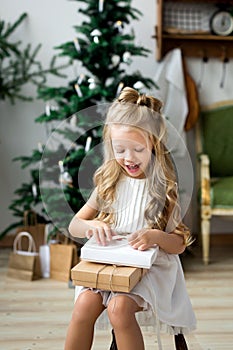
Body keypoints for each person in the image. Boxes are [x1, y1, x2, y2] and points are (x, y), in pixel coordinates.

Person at [64, 87, 196, 350]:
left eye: (137, 149)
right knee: (84, 304)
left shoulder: (162, 189)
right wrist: (92, 225)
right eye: (119, 149)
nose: (128, 158)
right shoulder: (108, 183)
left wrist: (155, 236)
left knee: (119, 307)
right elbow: (74, 225)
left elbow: (179, 243)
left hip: (151, 269)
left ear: (153, 145)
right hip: (112, 263)